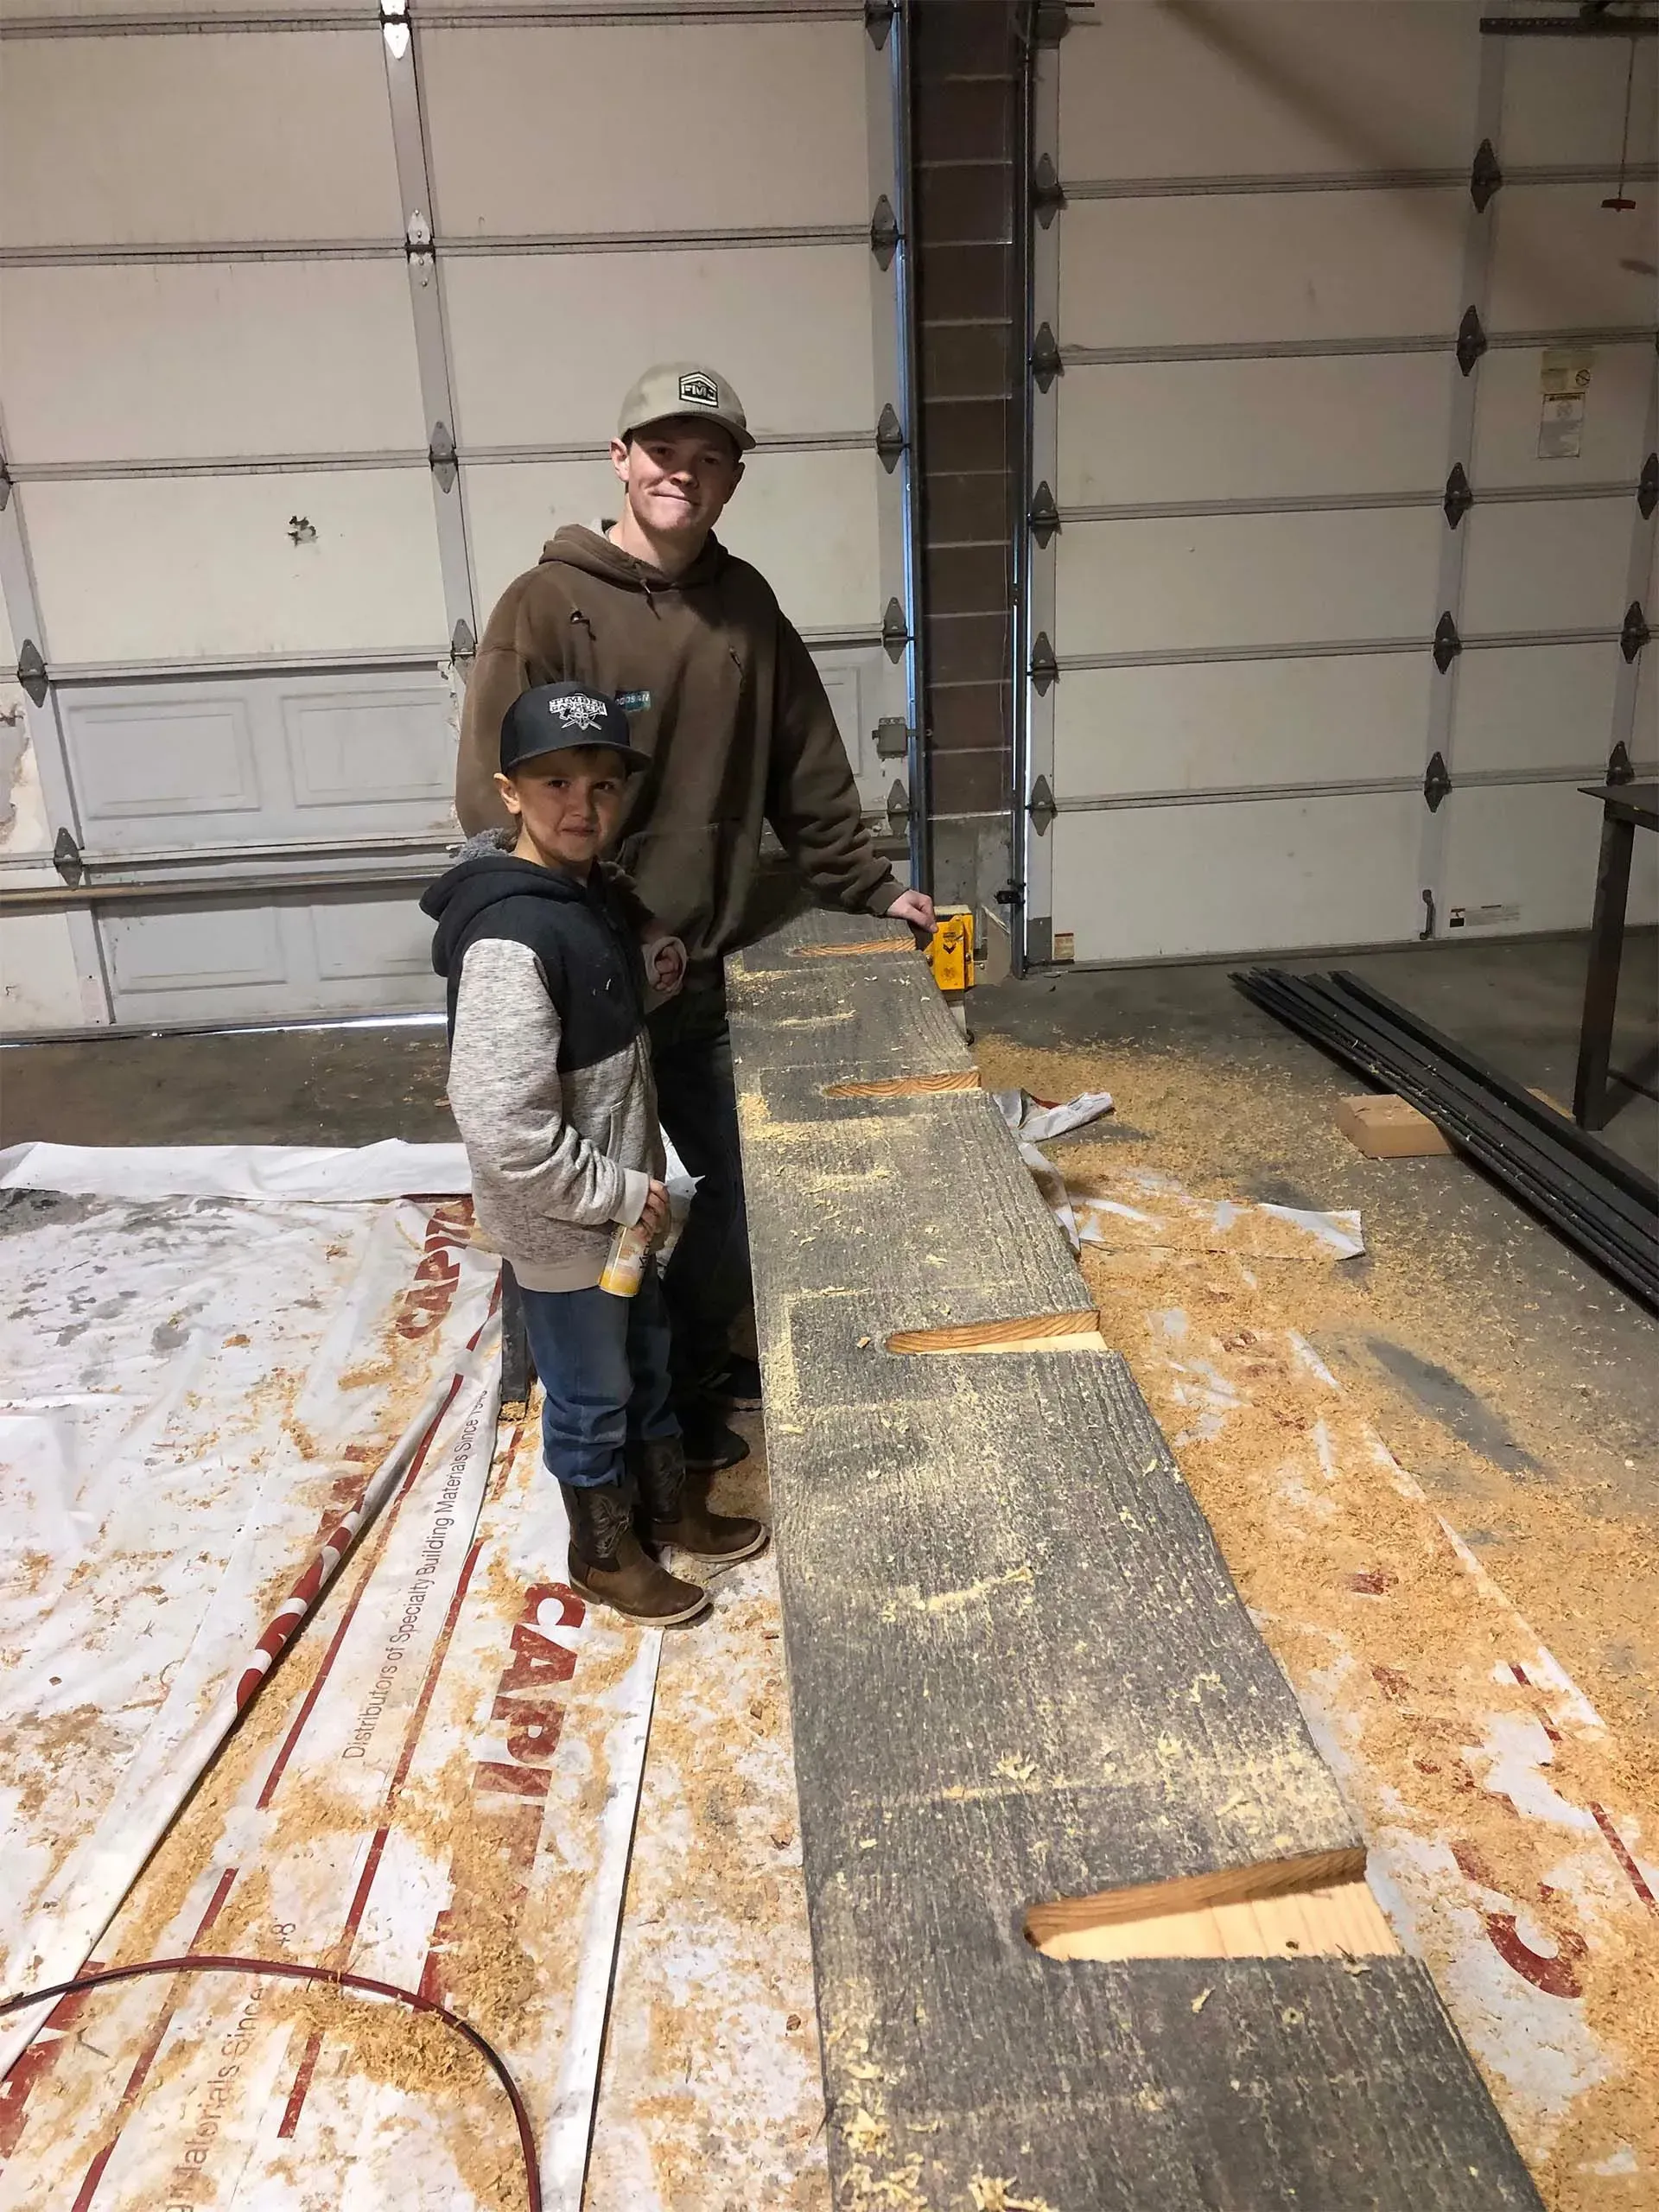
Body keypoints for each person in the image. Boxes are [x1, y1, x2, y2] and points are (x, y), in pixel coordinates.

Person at [454, 361, 936, 1467]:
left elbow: (805, 762)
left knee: (742, 1180)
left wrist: (865, 880)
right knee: (582, 1203)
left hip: (706, 966)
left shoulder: (746, 608)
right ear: (621, 460)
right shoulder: (547, 606)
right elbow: (493, 787)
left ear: (730, 481)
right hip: (595, 979)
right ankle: (588, 1398)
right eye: (662, 450)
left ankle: (694, 1359)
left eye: (709, 457)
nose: (683, 470)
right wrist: (586, 926)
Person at [425, 678, 766, 1624]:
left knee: (647, 1361)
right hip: (567, 1220)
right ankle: (603, 1551)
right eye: (555, 783)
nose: (583, 806)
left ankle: (667, 1507)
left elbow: (588, 1033)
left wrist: (645, 973)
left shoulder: (585, 894)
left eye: (604, 785)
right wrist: (617, 1189)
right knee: (590, 1389)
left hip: (623, 1205)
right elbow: (502, 1126)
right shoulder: (510, 932)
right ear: (507, 793)